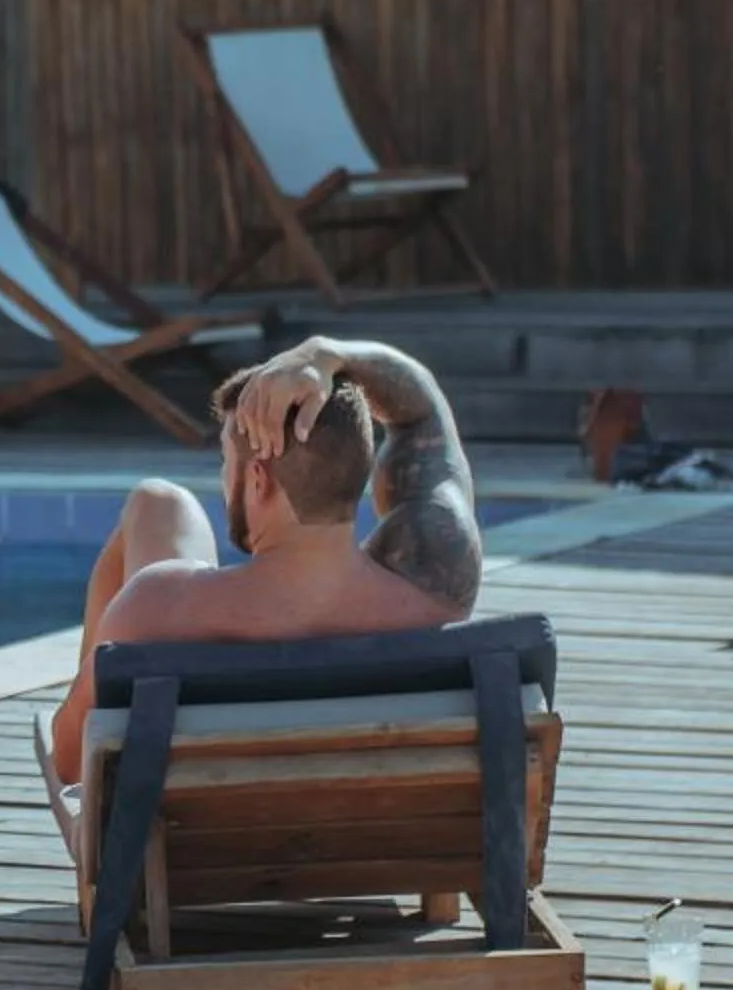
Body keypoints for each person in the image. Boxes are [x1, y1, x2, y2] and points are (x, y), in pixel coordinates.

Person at [46, 335, 481, 787]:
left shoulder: (156, 607)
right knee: (159, 503)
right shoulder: (437, 580)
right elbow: (422, 411)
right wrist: (323, 353)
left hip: (198, 824)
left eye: (226, 460)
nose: (223, 477)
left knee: (154, 503)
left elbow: (71, 764)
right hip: (385, 819)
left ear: (258, 480)